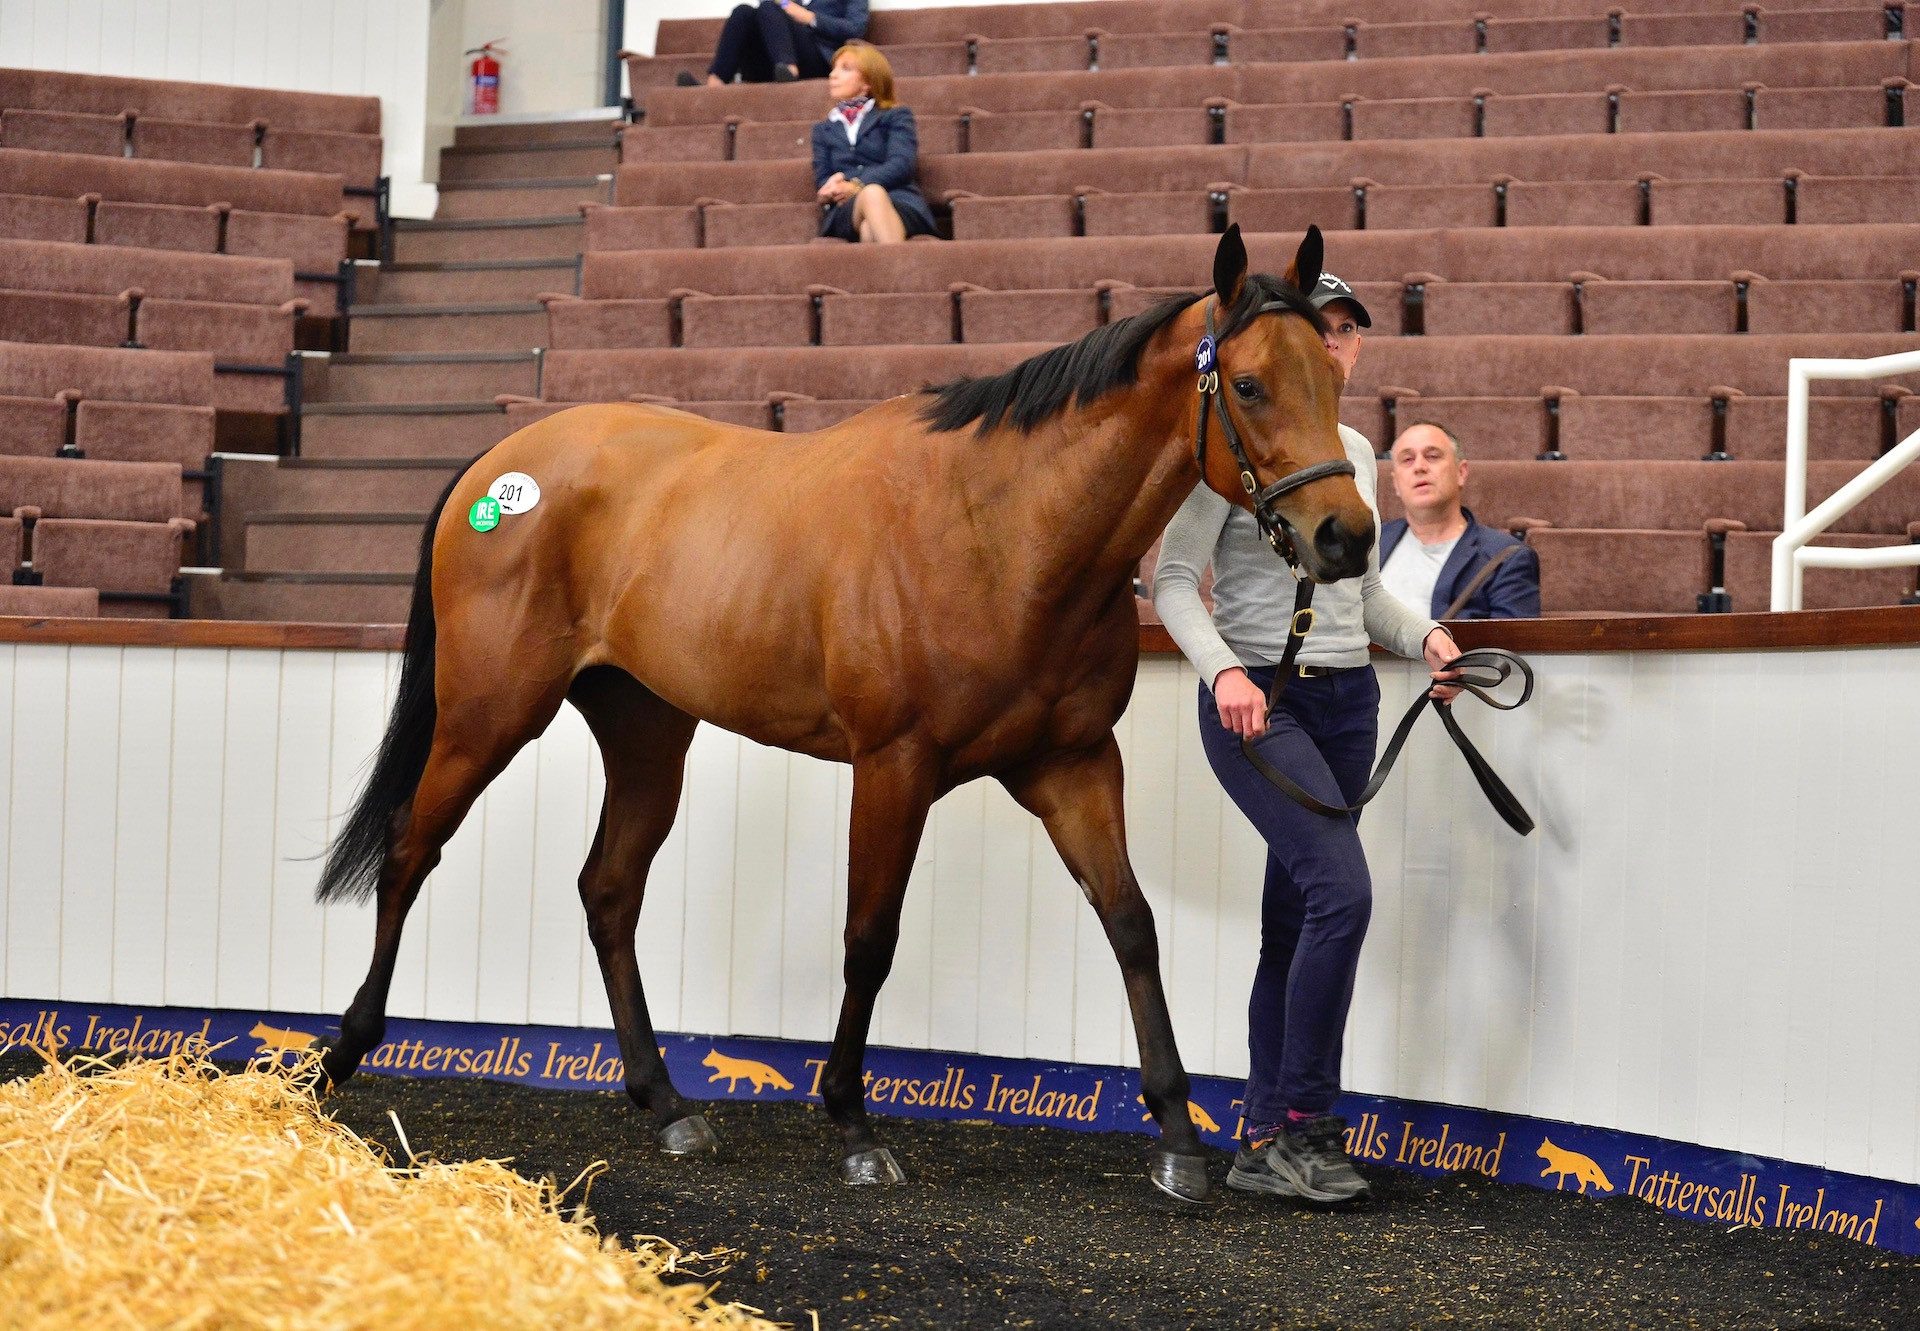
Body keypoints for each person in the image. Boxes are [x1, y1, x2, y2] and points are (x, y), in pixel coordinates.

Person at [1153, 270, 1463, 1205]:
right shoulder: (1236, 440)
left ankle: (1261, 1135)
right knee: (1342, 895)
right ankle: (1307, 1121)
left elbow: (1364, 596)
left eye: (1345, 330)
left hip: (1348, 701)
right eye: (1319, 327)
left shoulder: (1357, 450)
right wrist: (1226, 673)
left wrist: (1428, 637)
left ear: (1357, 349)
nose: (1333, 342)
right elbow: (1173, 579)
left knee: (1295, 920)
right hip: (1262, 701)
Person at [1379, 421, 1541, 620]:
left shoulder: (1506, 558)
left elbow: (1513, 639)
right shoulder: (1370, 544)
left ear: (1461, 472)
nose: (1419, 467)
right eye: (1407, 459)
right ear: (1395, 483)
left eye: (1432, 456)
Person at [810, 43, 937, 244]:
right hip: (847, 208)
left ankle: (886, 262)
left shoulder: (896, 115)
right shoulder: (823, 129)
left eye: (845, 68)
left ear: (868, 82)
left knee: (869, 227)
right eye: (834, 68)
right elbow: (823, 177)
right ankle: (901, 263)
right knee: (872, 194)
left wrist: (856, 184)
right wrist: (832, 187)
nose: (833, 75)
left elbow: (902, 164)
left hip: (898, 200)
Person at [682, 0, 869, 87]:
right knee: (743, 11)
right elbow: (772, 13)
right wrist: (784, 4)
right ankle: (715, 82)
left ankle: (789, 70)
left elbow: (856, 28)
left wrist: (809, 17)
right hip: (772, 59)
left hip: (817, 56)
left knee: (768, 7)